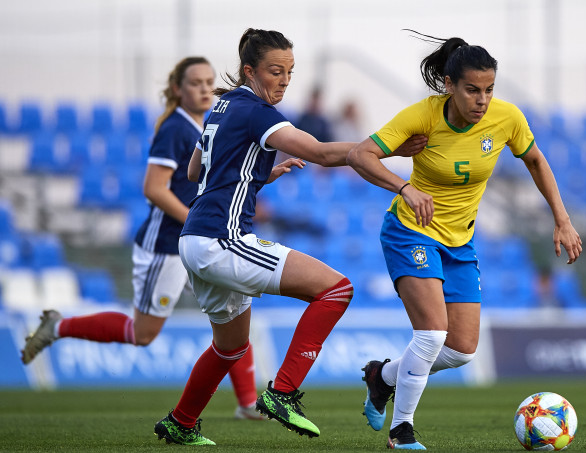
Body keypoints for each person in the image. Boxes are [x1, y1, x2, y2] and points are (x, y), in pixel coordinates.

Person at [151, 28, 427, 446]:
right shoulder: (256, 111)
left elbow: (194, 172)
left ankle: (180, 422)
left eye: (290, 72)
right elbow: (318, 152)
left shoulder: (221, 106)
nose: (283, 80)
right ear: (250, 70)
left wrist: (258, 171)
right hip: (223, 238)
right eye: (275, 71)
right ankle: (282, 393)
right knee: (336, 290)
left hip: (195, 239)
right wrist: (387, 147)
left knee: (230, 347)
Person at [347, 34, 583, 450]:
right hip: (411, 232)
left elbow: (535, 159)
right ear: (449, 85)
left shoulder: (507, 118)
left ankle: (381, 377)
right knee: (432, 334)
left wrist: (562, 219)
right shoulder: (422, 116)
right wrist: (405, 188)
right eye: (472, 90)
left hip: (460, 241)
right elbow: (360, 154)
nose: (482, 100)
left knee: (461, 350)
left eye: (489, 89)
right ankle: (402, 431)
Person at [21, 56, 269, 421]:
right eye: (195, 83)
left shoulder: (209, 125)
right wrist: (198, 222)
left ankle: (248, 402)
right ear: (177, 89)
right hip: (167, 245)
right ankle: (57, 325)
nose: (204, 89)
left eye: (208, 81)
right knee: (143, 333)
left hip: (200, 240)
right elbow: (154, 189)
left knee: (234, 307)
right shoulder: (175, 128)